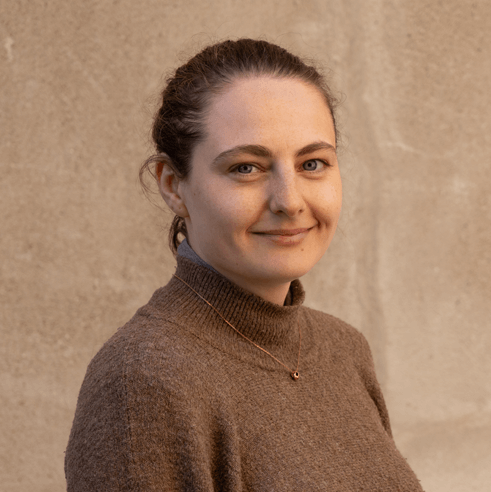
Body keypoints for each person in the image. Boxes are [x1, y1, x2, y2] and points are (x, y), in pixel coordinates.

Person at [65, 38, 424, 491]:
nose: (289, 201)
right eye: (246, 168)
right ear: (173, 185)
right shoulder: (142, 381)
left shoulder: (344, 350)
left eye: (313, 163)